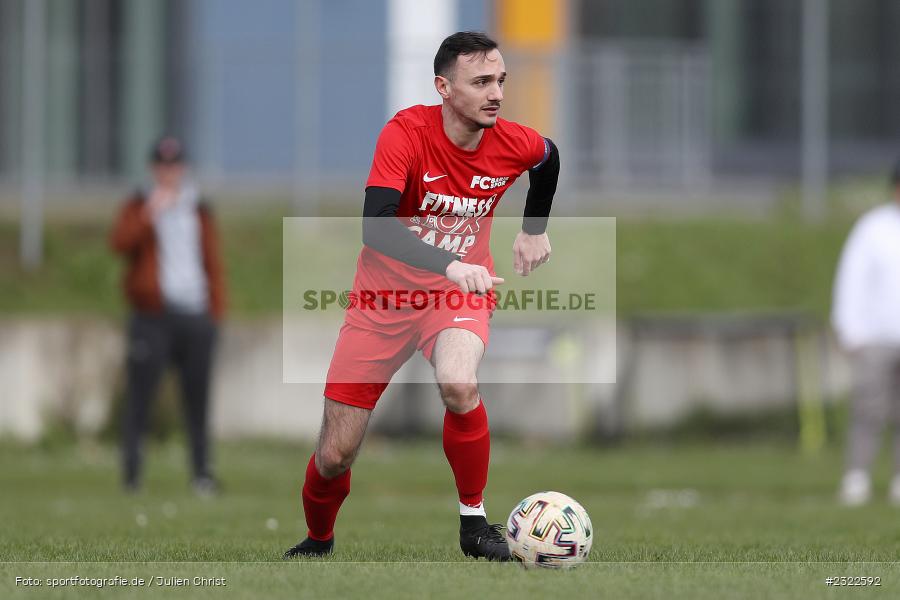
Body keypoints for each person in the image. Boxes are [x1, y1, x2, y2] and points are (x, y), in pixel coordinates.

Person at [283, 31, 559, 560]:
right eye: (480, 82)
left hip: (455, 296)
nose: (495, 93)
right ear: (444, 87)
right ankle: (318, 541)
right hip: (381, 303)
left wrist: (534, 228)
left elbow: (548, 159)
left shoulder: (513, 140)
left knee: (459, 382)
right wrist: (451, 263)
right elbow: (376, 228)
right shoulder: (405, 134)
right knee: (336, 454)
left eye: (500, 80)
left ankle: (474, 526)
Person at [110, 136, 227, 495]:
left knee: (197, 399)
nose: (169, 172)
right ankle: (132, 476)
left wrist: (216, 312)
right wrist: (150, 214)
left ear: (183, 168)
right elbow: (119, 243)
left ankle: (202, 474)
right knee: (141, 398)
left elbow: (212, 262)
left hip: (195, 315)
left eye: (174, 165)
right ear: (152, 168)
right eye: (162, 165)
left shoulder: (198, 208)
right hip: (153, 316)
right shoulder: (139, 204)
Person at [832, 160, 900, 506]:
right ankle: (857, 475)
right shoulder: (873, 228)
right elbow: (852, 278)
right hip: (877, 337)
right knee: (869, 408)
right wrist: (847, 326)